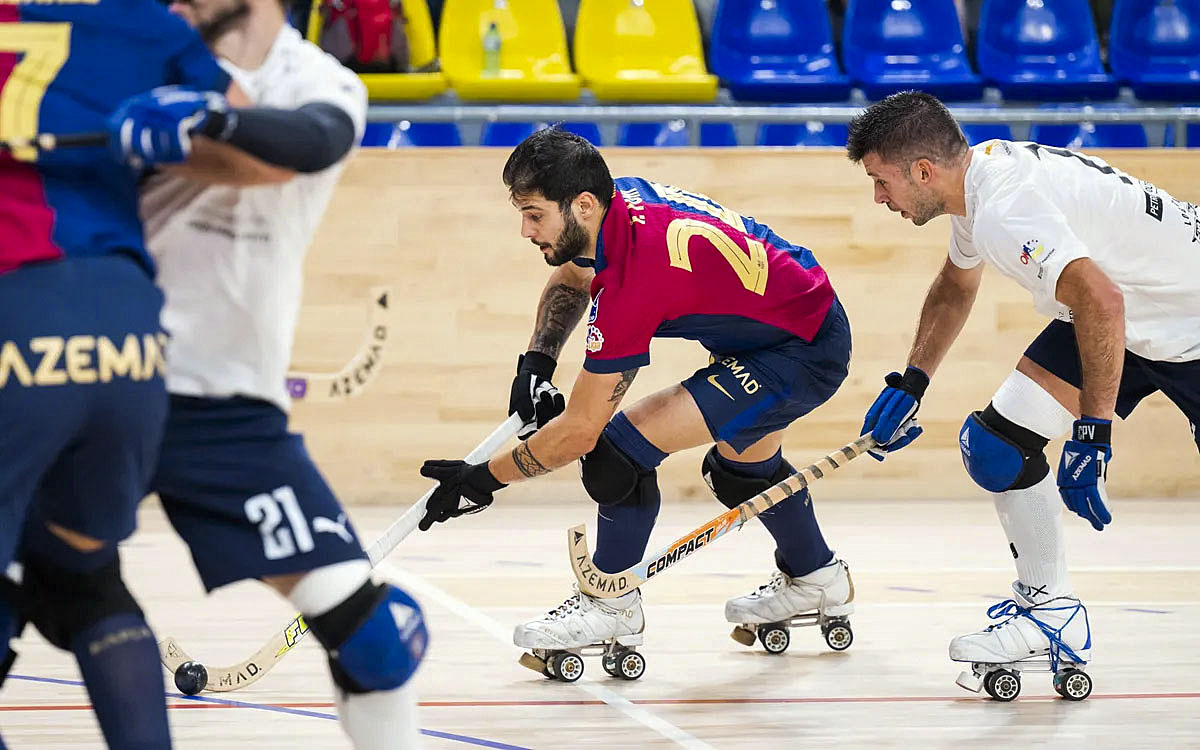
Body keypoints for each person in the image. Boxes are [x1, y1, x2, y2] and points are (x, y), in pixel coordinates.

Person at [418, 127, 856, 669]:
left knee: (616, 453)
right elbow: (574, 275)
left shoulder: (636, 277)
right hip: (788, 326)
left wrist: (479, 479)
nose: (525, 230)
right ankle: (817, 576)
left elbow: (580, 433)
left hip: (802, 350)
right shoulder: (613, 204)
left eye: (534, 215)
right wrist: (537, 365)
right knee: (742, 472)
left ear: (580, 203)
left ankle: (610, 603)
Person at [135, 0, 428, 746]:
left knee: (376, 641)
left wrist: (213, 123)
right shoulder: (136, 52)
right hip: (108, 378)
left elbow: (313, 139)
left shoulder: (323, 82)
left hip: (228, 403)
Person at [847, 90, 1200, 698]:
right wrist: (914, 380)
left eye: (881, 182)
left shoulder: (1005, 206)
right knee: (997, 446)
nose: (879, 198)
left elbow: (1100, 302)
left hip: (1177, 318)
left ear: (923, 172)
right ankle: (1051, 613)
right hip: (1132, 313)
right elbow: (956, 286)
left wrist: (1092, 434)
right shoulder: (976, 187)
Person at [0, 2, 242, 747]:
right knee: (82, 570)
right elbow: (260, 139)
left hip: (12, 305)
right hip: (125, 328)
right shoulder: (150, 24)